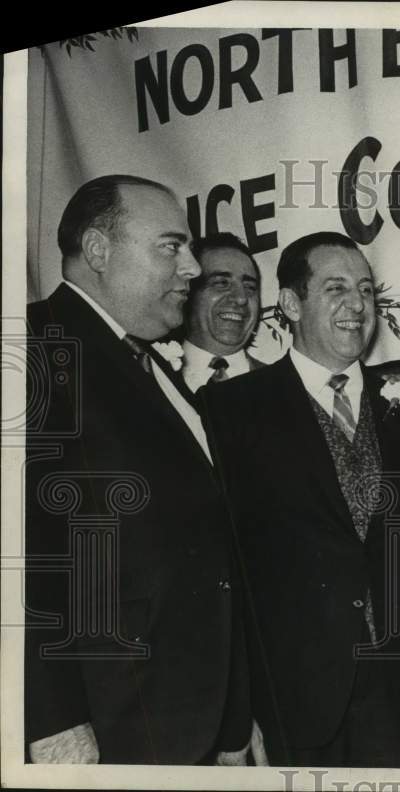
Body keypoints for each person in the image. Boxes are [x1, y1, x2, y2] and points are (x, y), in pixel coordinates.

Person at [24, 174, 251, 764]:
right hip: (105, 730)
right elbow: (22, 558)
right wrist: (52, 724)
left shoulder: (154, 366)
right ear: (98, 251)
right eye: (171, 247)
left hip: (188, 721)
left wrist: (232, 720)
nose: (192, 268)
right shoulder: (34, 348)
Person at [201, 231, 400, 767]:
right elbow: (222, 573)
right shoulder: (228, 410)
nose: (357, 304)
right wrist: (239, 714)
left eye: (365, 289)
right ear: (289, 302)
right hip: (292, 701)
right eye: (335, 289)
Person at [181, 232, 264, 392]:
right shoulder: (148, 377)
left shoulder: (286, 386)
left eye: (249, 287)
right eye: (222, 283)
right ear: (187, 291)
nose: (241, 298)